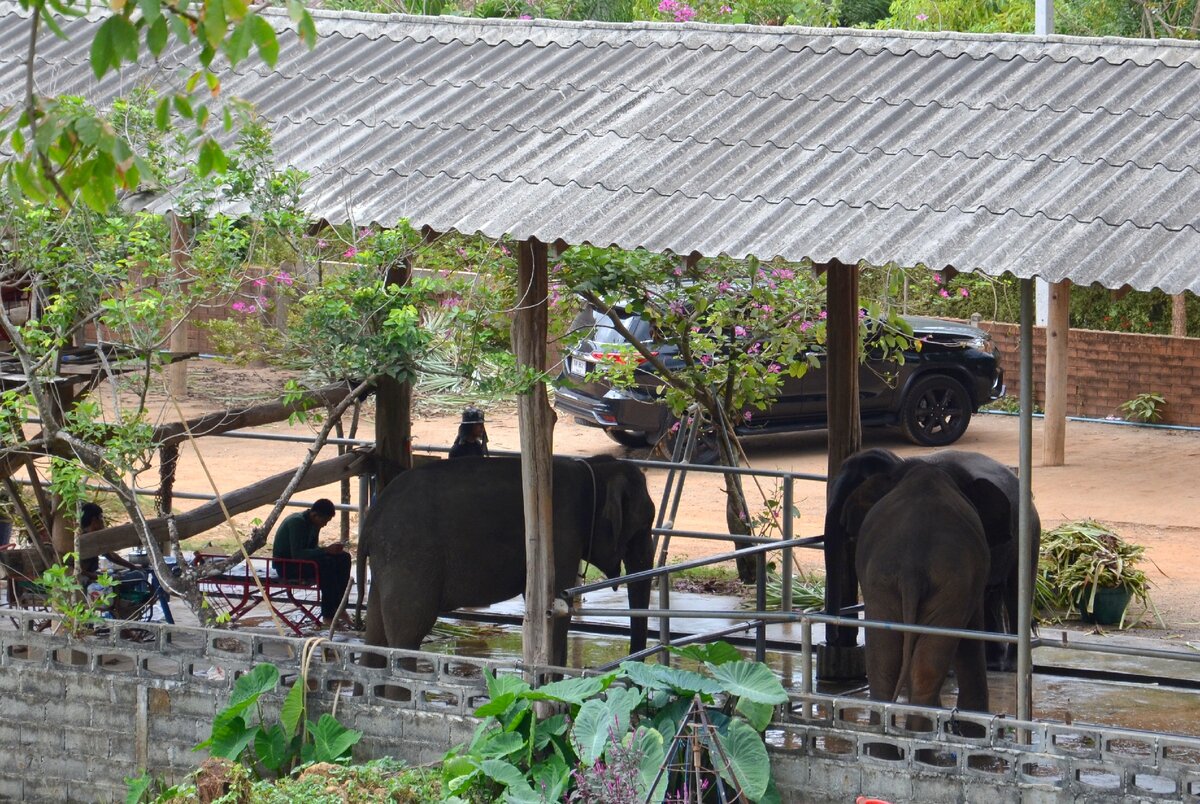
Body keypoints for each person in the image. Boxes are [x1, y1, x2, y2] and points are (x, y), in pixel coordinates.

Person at [271, 498, 351, 628]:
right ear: (314, 515)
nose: (324, 524)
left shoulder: (314, 524)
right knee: (327, 564)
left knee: (344, 558)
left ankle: (340, 606)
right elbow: (297, 555)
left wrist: (330, 551)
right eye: (324, 520)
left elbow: (313, 549)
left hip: (302, 562)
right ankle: (328, 614)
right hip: (287, 565)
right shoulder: (296, 522)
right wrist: (326, 550)